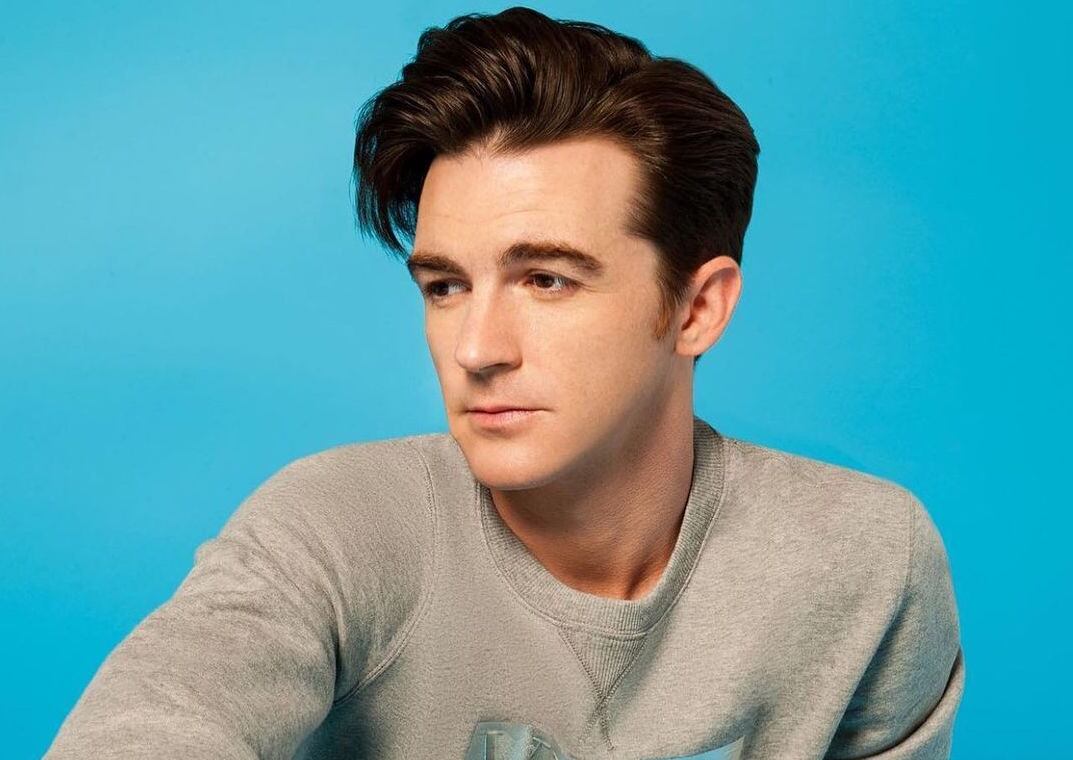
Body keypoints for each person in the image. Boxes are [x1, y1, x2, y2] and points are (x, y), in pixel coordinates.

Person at [45, 6, 964, 759]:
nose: (476, 348)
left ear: (697, 309)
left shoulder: (862, 563)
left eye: (546, 280)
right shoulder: (337, 531)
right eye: (445, 286)